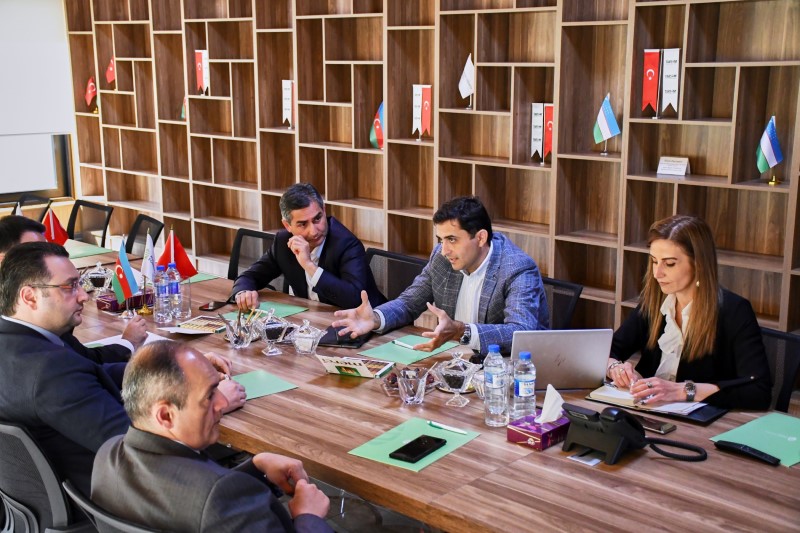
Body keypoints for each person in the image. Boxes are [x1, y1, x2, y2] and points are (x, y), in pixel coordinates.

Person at [0, 242, 246, 496]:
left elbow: (94, 371)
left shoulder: (28, 343)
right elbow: (140, 446)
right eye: (70, 286)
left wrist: (182, 368)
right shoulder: (51, 371)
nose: (84, 296)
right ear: (29, 296)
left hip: (41, 494)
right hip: (114, 494)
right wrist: (213, 404)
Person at [92, 340, 332, 532]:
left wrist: (255, 467)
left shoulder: (107, 455)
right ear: (165, 415)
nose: (223, 402)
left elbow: (191, 500)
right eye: (209, 395)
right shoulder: (221, 497)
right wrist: (308, 517)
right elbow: (212, 501)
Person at [333, 196, 549, 353]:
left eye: (452, 239)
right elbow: (409, 303)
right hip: (457, 362)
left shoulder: (517, 268)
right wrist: (376, 318)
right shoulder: (442, 257)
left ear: (481, 238)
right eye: (441, 240)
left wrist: (462, 331)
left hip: (506, 373)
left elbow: (520, 332)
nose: (444, 250)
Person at [607, 215, 771, 410]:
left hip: (697, 418)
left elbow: (758, 391)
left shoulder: (735, 311)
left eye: (669, 264)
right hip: (645, 409)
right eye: (654, 261)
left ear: (698, 264)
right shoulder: (655, 301)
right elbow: (608, 350)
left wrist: (681, 391)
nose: (657, 273)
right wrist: (616, 368)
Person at [231, 183, 385, 310]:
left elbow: (355, 299)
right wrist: (243, 292)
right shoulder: (283, 242)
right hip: (313, 319)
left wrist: (309, 266)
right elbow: (250, 276)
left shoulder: (347, 244)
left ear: (324, 211)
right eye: (303, 224)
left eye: (317, 218)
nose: (314, 231)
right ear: (287, 225)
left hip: (369, 324)